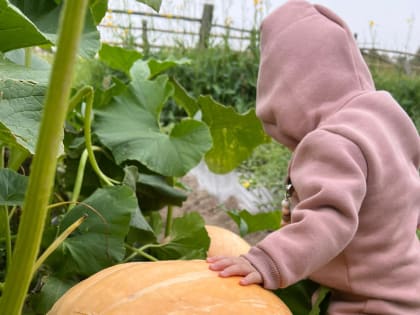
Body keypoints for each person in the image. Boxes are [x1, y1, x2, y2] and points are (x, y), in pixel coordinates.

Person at [207, 0, 420, 314]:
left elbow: (329, 219)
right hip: (407, 285)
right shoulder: (387, 121)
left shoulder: (332, 141)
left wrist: (266, 261)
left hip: (372, 303)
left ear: (285, 84)